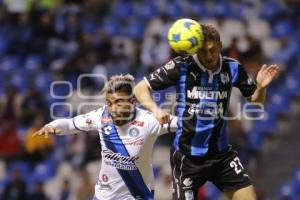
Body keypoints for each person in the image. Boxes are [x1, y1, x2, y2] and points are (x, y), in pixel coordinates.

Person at [134, 24, 279, 200]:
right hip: (187, 158)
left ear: (220, 45)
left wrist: (261, 87)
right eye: (202, 51)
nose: (208, 56)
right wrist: (155, 110)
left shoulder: (232, 68)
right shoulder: (181, 66)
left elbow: (255, 99)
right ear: (195, 49)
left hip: (222, 156)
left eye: (212, 50)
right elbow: (140, 88)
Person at [34, 74, 177, 200]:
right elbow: (70, 124)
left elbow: (186, 124)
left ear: (132, 102)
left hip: (138, 194)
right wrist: (52, 125)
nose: (112, 108)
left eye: (118, 102)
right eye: (109, 103)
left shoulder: (149, 120)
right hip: (105, 195)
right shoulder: (101, 116)